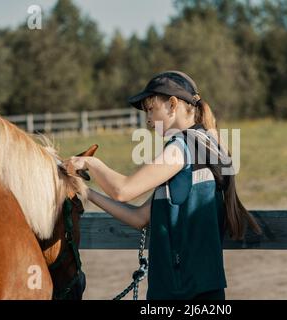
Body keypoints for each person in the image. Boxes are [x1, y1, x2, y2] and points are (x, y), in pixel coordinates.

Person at [63, 70, 261, 300]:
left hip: (179, 289)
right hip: (203, 287)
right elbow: (139, 218)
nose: (147, 119)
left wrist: (90, 163)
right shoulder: (205, 144)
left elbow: (123, 191)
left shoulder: (181, 147)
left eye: (150, 109)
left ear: (172, 104)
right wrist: (86, 192)